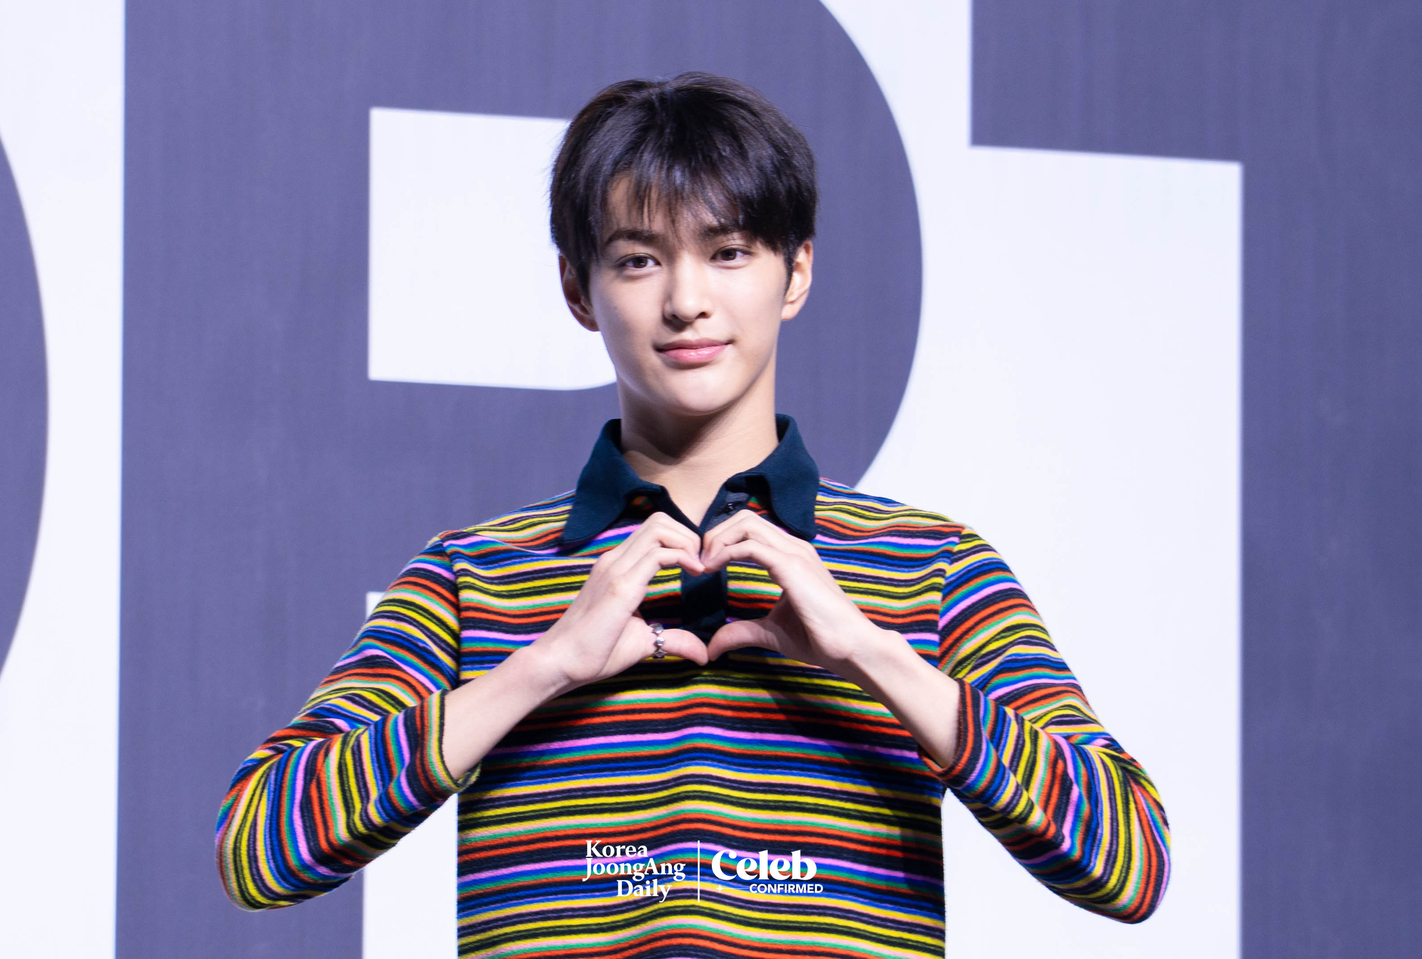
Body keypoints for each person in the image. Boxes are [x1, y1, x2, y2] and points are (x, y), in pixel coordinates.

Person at [216, 72, 1169, 957]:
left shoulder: (929, 564)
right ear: (576, 288)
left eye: (728, 253)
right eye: (638, 260)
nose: (685, 300)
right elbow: (257, 847)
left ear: (795, 273)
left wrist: (868, 650)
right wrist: (543, 664)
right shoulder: (477, 573)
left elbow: (1130, 860)